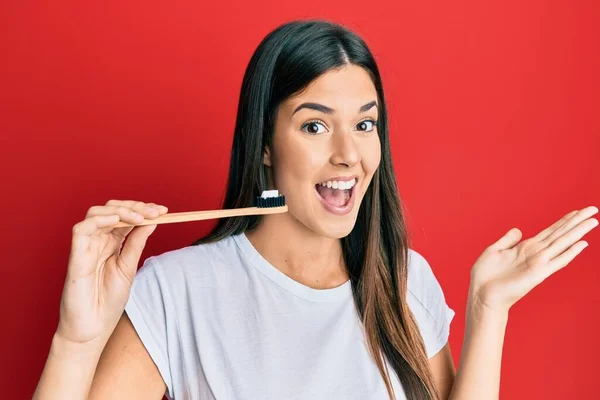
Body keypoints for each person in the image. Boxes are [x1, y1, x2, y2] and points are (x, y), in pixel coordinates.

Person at [34, 19, 598, 400]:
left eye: (365, 124)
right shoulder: (174, 291)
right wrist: (76, 340)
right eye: (314, 125)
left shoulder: (405, 283)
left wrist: (487, 306)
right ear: (264, 144)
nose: (349, 154)